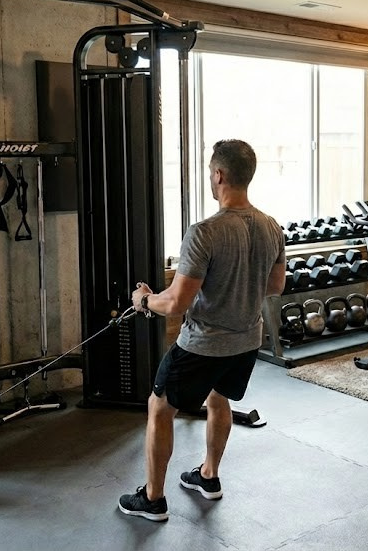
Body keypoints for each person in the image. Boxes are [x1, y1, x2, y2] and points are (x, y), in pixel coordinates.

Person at [119, 139, 286, 522]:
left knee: (159, 407)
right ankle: (208, 476)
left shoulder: (204, 231)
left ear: (219, 175)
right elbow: (275, 287)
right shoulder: (272, 227)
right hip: (246, 341)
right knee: (218, 399)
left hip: (203, 344)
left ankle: (153, 499)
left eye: (211, 172)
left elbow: (175, 303)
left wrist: (143, 299)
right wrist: (235, 287)